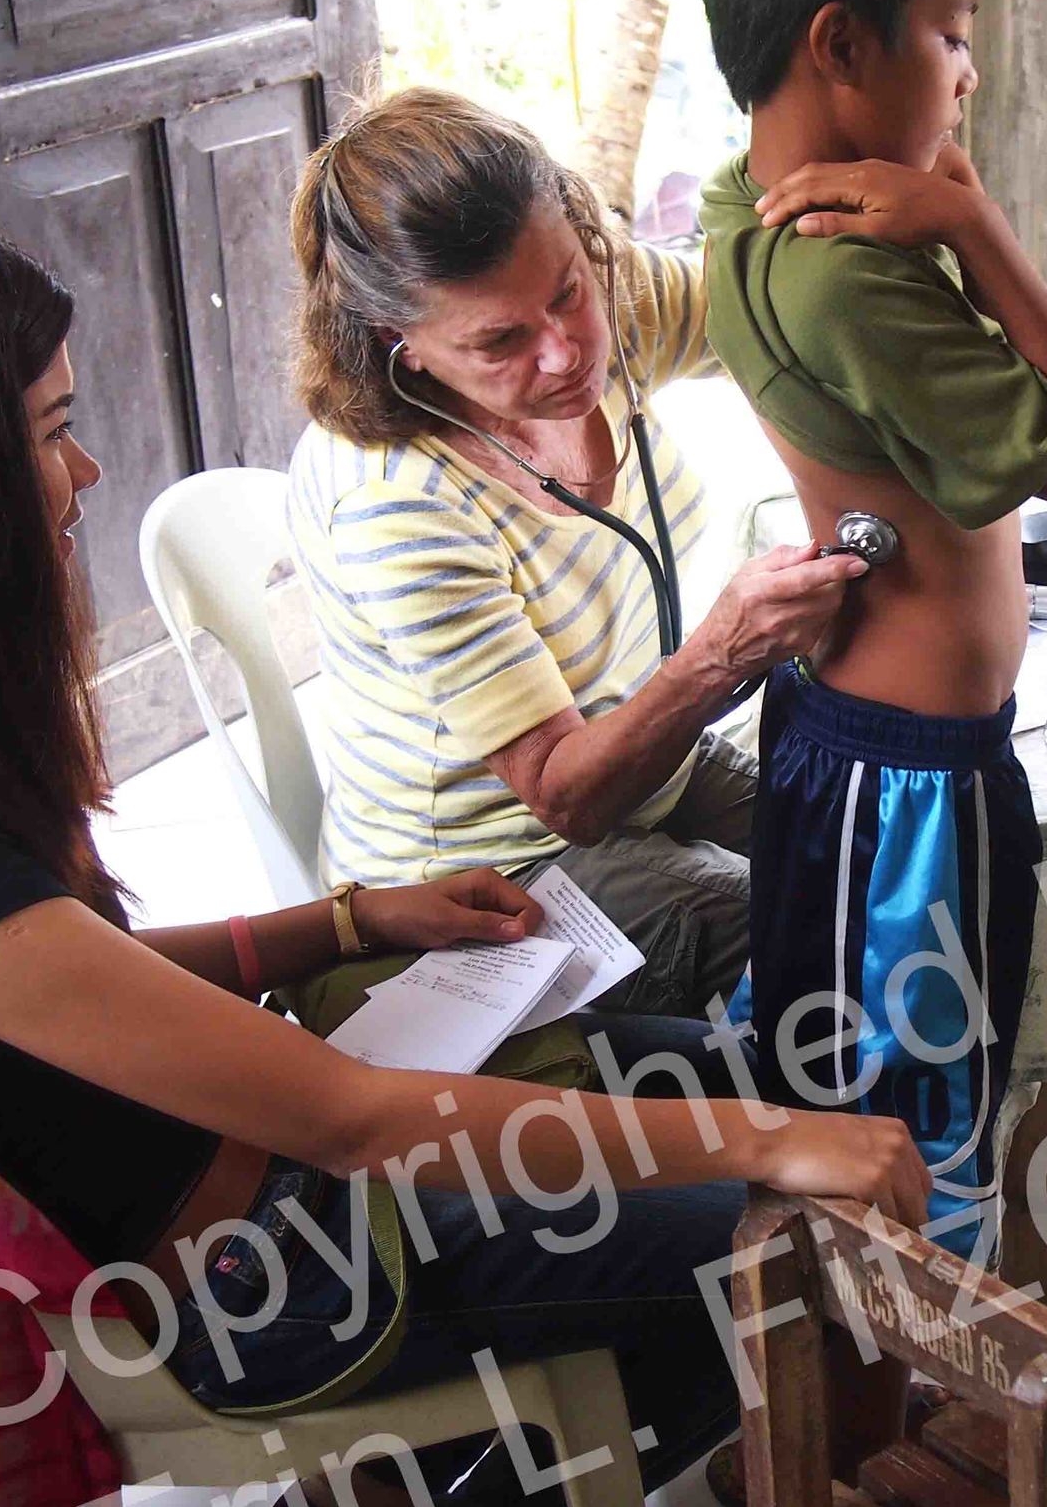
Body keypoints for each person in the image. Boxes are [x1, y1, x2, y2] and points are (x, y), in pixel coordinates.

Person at [0, 201, 928, 1507]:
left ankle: (418, 1496)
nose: (82, 469)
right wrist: (775, 1143)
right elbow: (345, 1117)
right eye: (46, 433)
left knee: (722, 1081)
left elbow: (71, 984)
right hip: (269, 1277)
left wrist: (346, 923)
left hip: (257, 1180)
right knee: (766, 1241)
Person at [689, 0, 1047, 1254]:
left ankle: (850, 1433)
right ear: (840, 42)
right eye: (951, 29)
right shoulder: (862, 272)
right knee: (910, 1147)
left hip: (853, 746)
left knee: (847, 1112)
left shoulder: (736, 211)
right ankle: (877, 1447)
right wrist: (973, 220)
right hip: (915, 793)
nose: (967, 73)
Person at [289, 87, 867, 1019]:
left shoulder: (607, 296)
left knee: (879, 845)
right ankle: (851, 1154)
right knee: (834, 933)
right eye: (500, 340)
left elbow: (762, 304)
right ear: (403, 346)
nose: (565, 353)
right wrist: (723, 651)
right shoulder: (397, 498)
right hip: (495, 870)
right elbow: (566, 797)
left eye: (567, 290)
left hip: (641, 757)